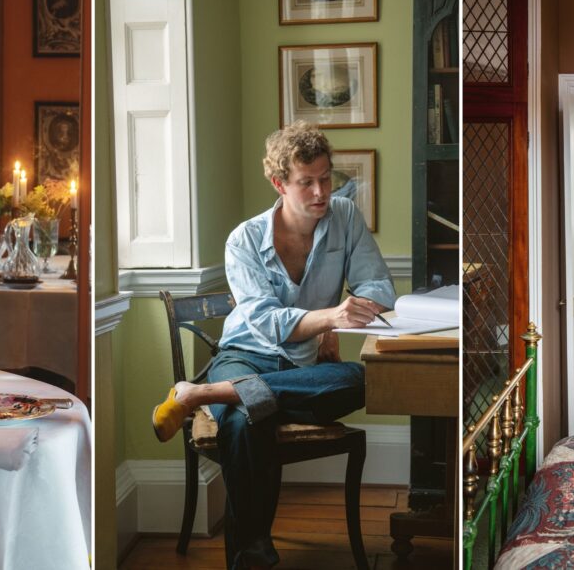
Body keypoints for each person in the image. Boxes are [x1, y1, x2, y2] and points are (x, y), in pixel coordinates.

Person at [151, 120, 395, 569]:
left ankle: (200, 394)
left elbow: (379, 284)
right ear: (278, 182)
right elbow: (264, 321)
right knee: (248, 420)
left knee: (364, 380)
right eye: (307, 182)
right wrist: (329, 317)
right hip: (243, 356)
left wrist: (334, 327)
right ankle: (253, 553)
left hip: (300, 369)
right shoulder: (243, 240)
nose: (321, 192)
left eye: (326, 178)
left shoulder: (345, 217)